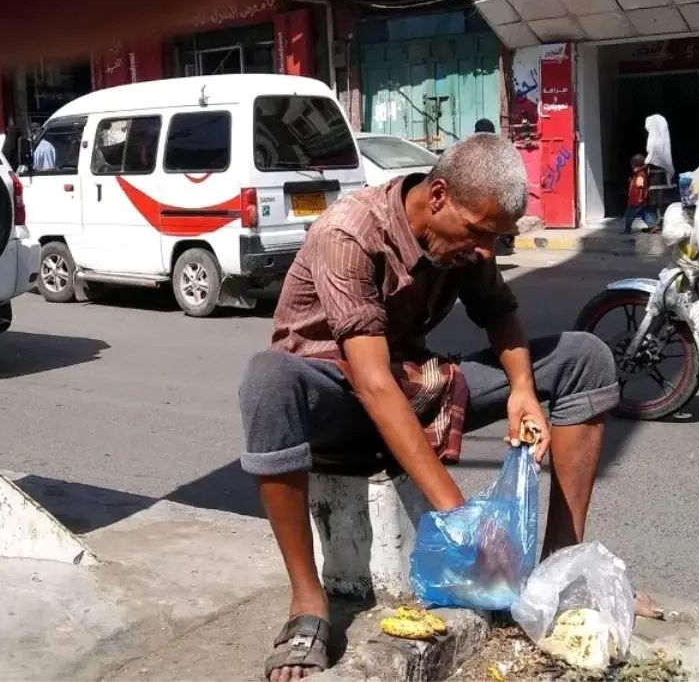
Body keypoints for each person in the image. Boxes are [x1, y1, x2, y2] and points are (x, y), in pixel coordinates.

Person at [238, 134, 656, 681]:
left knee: (585, 357)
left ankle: (561, 566)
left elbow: (500, 314)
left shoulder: (465, 240)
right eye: (481, 232)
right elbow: (370, 382)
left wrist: (523, 391)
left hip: (417, 384)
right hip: (337, 396)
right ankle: (307, 603)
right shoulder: (349, 232)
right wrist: (462, 521)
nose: (486, 250)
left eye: (498, 238)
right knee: (266, 379)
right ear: (437, 196)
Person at [643, 114, 674, 234]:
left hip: (655, 173)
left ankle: (656, 223)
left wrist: (643, 165)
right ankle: (659, 222)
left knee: (655, 199)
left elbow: (652, 157)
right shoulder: (662, 139)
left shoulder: (654, 140)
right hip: (662, 172)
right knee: (661, 198)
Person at [624, 153, 653, 233]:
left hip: (636, 200)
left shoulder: (639, 175)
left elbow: (640, 187)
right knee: (644, 213)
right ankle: (652, 226)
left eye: (632, 165)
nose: (632, 167)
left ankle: (627, 229)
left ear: (635, 165)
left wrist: (640, 198)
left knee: (630, 215)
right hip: (639, 199)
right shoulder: (640, 174)